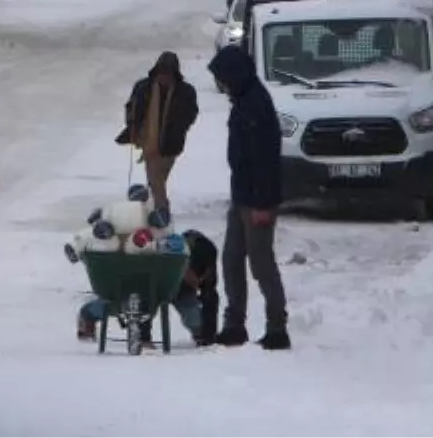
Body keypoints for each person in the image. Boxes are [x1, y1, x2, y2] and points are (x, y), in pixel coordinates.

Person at [207, 44, 290, 351]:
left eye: (223, 78)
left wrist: (263, 204)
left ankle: (277, 327)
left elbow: (266, 160)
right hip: (241, 195)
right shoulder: (243, 101)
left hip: (257, 200)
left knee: (261, 263)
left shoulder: (256, 104)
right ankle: (234, 323)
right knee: (231, 259)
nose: (222, 85)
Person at [76, 229, 219, 348]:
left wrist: (208, 335)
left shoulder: (207, 266)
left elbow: (210, 297)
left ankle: (200, 332)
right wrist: (144, 338)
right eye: (194, 278)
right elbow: (144, 300)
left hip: (183, 280)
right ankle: (88, 313)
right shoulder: (168, 263)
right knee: (125, 303)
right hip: (162, 278)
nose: (197, 282)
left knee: (194, 318)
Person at [114, 52, 199, 214]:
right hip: (148, 141)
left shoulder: (186, 92)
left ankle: (156, 207)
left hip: (171, 144)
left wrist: (179, 126)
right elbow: (131, 107)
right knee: (155, 177)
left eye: (167, 74)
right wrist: (133, 124)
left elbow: (191, 113)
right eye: (161, 74)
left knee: (158, 178)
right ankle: (161, 209)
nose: (164, 78)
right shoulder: (143, 87)